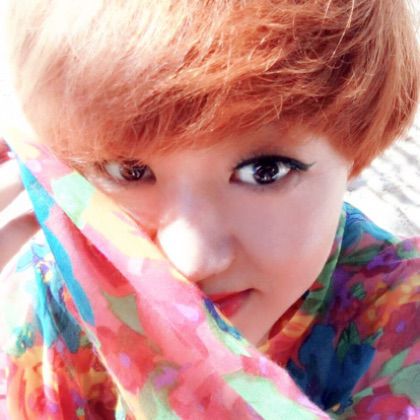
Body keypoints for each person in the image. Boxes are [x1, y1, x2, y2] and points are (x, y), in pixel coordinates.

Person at [0, 0, 419, 418]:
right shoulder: (52, 298)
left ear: (358, 152)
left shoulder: (402, 322)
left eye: (265, 171)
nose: (191, 260)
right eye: (129, 171)